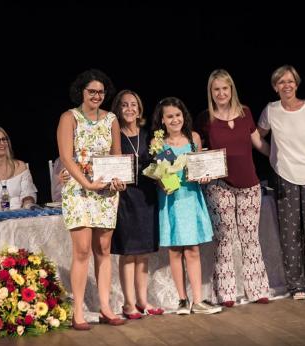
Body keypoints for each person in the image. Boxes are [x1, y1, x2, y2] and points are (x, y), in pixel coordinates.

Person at [57, 68, 126, 330]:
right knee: (82, 250)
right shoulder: (69, 117)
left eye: (101, 91)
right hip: (78, 188)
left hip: (106, 190)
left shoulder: (111, 119)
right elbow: (66, 156)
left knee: (104, 250)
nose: (97, 96)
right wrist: (86, 183)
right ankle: (77, 312)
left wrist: (119, 178)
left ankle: (105, 307)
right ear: (82, 92)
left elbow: (116, 155)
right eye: (91, 91)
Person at [195, 69, 270, 307]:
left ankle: (257, 290)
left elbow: (259, 144)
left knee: (250, 238)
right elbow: (197, 150)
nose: (221, 93)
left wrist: (283, 155)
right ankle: (226, 293)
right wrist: (199, 171)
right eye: (216, 89)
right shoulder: (205, 118)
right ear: (211, 92)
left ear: (231, 89)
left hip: (250, 184)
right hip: (220, 186)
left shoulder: (245, 113)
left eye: (224, 88)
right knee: (225, 239)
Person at [257, 65, 305, 300]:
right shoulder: (271, 110)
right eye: (281, 82)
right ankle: (296, 286)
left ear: (296, 84)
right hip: (284, 177)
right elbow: (258, 137)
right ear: (275, 87)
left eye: (290, 81)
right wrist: (272, 155)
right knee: (290, 234)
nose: (286, 85)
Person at [151, 96, 221, 315]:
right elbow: (158, 174)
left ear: (184, 116)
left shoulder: (194, 139)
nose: (174, 120)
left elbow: (201, 167)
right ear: (162, 120)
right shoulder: (158, 143)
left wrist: (205, 177)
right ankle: (182, 300)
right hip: (172, 200)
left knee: (192, 249)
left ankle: (198, 300)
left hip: (191, 198)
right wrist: (162, 183)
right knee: (175, 250)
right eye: (170, 116)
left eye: (178, 115)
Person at [109, 90, 163, 319]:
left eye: (134, 104)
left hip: (147, 198)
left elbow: (161, 162)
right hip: (125, 199)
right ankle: (128, 304)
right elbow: (109, 165)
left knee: (143, 254)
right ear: (118, 109)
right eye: (124, 105)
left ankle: (142, 300)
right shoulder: (115, 135)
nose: (130, 109)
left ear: (139, 109)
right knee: (128, 253)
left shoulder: (149, 134)